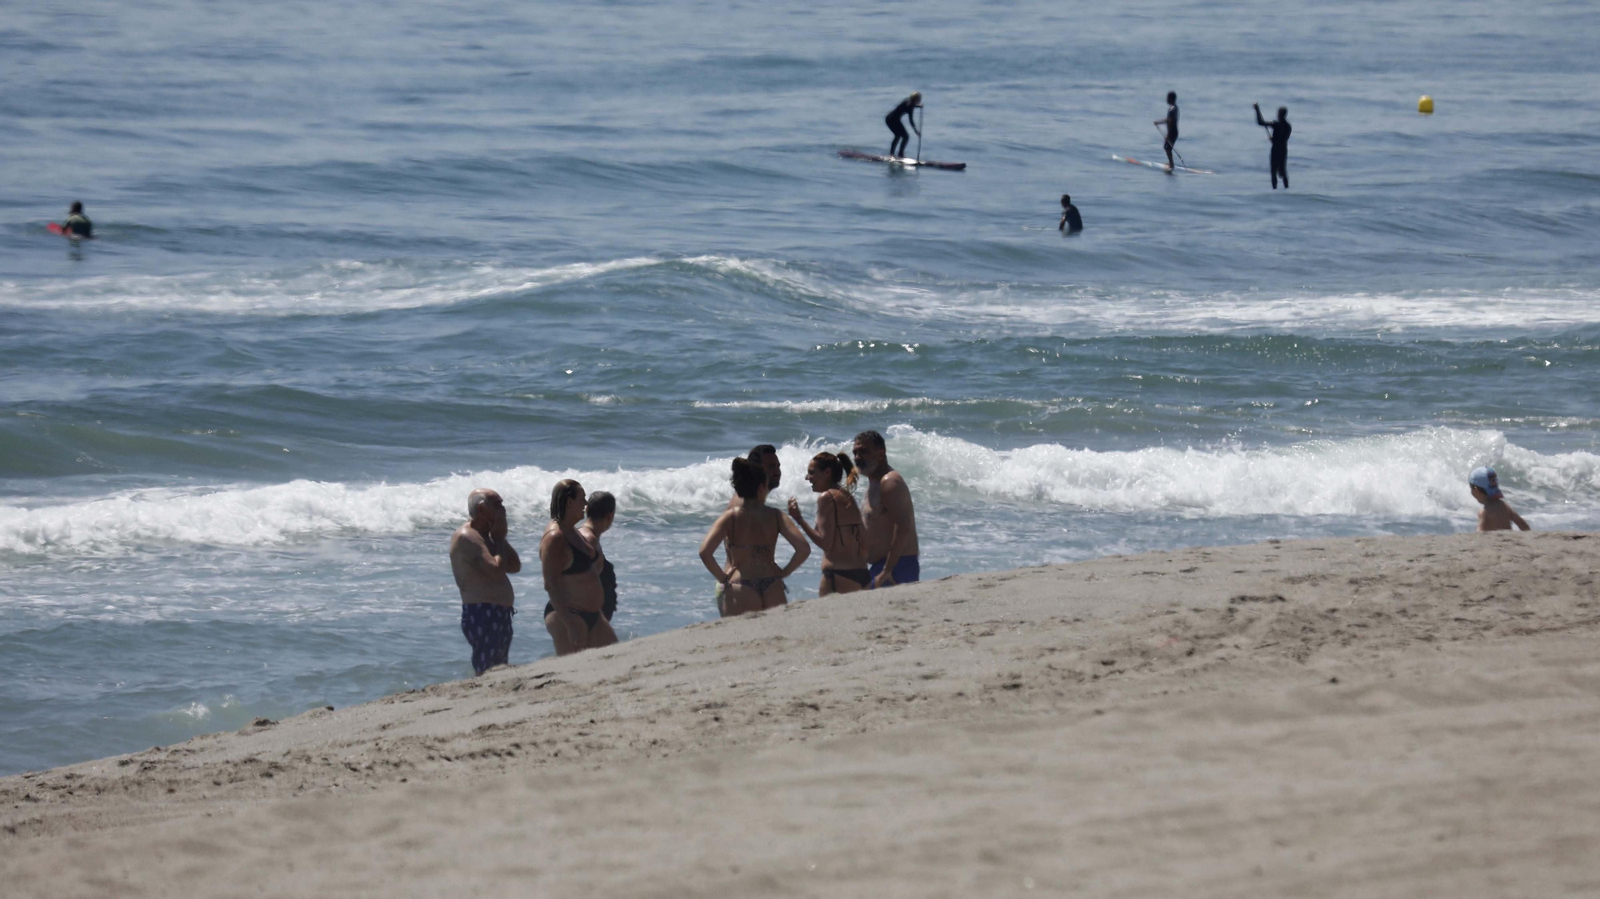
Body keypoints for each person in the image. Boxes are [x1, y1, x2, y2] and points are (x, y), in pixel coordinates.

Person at [699, 456, 810, 616]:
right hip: (773, 584)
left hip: (741, 585)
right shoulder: (776, 515)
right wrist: (785, 572)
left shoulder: (731, 517)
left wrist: (723, 578)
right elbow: (803, 548)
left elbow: (705, 552)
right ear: (760, 488)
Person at [540, 479, 618, 656]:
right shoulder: (555, 537)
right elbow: (550, 584)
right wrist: (570, 623)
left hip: (592, 615)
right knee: (572, 672)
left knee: (615, 658)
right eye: (582, 498)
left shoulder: (571, 530)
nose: (585, 504)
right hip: (568, 616)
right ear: (569, 502)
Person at [449, 489, 522, 676]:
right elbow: (496, 571)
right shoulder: (468, 537)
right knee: (487, 671)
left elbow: (514, 565)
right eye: (497, 505)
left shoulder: (487, 536)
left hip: (498, 612)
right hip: (483, 612)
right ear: (482, 509)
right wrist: (497, 539)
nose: (503, 510)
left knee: (499, 669)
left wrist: (500, 539)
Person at [787, 451, 870, 595]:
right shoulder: (847, 496)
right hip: (862, 573)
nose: (807, 478)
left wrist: (798, 518)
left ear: (827, 473)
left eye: (812, 473)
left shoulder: (827, 497)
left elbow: (826, 543)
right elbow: (863, 542)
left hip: (839, 575)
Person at [852, 430, 919, 588]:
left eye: (864, 452)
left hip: (897, 567)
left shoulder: (890, 482)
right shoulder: (874, 484)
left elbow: (903, 527)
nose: (857, 458)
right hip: (881, 567)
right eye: (855, 453)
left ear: (880, 454)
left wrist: (887, 570)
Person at [581, 491, 619, 622]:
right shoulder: (589, 540)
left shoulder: (585, 537)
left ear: (587, 510)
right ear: (609, 516)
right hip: (587, 618)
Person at [1470, 466, 1530, 532]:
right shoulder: (1505, 507)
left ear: (1476, 490)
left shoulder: (1484, 512)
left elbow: (1480, 532)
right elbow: (1521, 523)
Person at [1254, 104, 1292, 189]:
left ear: (1280, 114)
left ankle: (1274, 189)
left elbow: (1260, 122)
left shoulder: (1276, 124)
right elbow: (1284, 138)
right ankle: (1287, 188)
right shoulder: (1288, 126)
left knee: (1274, 171)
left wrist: (1257, 110)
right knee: (1282, 172)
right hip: (1283, 150)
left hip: (1276, 150)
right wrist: (1274, 139)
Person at [886, 91, 922, 159]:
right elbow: (911, 121)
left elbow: (910, 104)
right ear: (915, 99)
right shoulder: (909, 105)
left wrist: (917, 106)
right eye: (918, 99)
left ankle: (899, 154)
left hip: (895, 120)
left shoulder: (909, 101)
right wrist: (916, 131)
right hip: (890, 119)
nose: (919, 100)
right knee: (900, 136)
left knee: (903, 136)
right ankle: (893, 155)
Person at [1154, 91, 1179, 171]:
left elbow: (1170, 121)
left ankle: (1171, 165)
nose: (1166, 99)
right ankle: (1171, 163)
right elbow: (1169, 120)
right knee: (1167, 148)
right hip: (1173, 131)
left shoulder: (1172, 109)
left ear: (1171, 99)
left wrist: (1168, 134)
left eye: (1168, 98)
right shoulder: (1174, 107)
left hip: (1172, 131)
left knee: (1167, 148)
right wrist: (1158, 122)